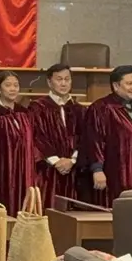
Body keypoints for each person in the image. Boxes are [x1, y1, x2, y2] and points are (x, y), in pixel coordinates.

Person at [81, 65, 132, 207]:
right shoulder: (101, 108)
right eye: (129, 83)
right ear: (116, 86)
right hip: (114, 173)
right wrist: (97, 169)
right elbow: (94, 140)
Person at [0, 71, 36, 213]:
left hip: (25, 173)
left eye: (16, 85)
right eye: (8, 85)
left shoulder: (24, 113)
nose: (13, 89)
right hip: (2, 173)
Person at [28, 63, 86, 208]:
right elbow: (36, 137)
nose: (64, 83)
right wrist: (56, 161)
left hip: (74, 171)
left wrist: (72, 160)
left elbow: (85, 138)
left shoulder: (79, 110)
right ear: (49, 82)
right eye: (59, 79)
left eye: (67, 79)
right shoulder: (37, 107)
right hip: (48, 170)